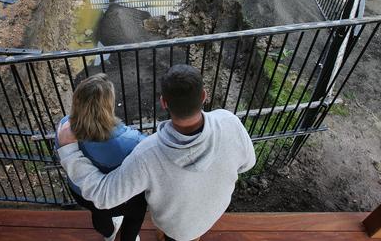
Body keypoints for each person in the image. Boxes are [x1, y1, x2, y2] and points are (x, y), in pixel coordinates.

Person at [57, 64, 256, 241]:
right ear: (204, 95)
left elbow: (104, 195)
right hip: (213, 211)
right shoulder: (229, 121)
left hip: (174, 226)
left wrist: (69, 151)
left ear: (163, 102)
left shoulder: (147, 153)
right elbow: (248, 163)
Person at [55, 73, 146, 241]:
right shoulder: (130, 141)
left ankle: (109, 234)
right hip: (122, 197)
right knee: (136, 214)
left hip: (82, 192)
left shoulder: (64, 126)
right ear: (108, 106)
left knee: (98, 212)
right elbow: (151, 152)